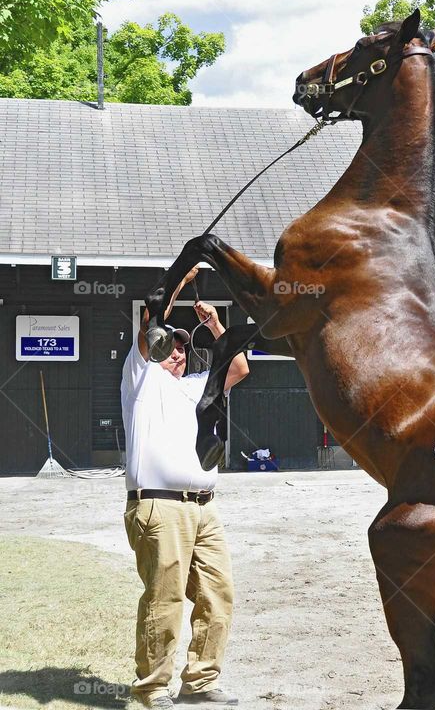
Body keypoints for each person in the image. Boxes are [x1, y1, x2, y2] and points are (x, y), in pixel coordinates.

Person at [121, 265, 249, 708]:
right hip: (159, 507)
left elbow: (238, 366)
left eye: (182, 347)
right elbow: (148, 323)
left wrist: (214, 324)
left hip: (204, 508)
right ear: (156, 349)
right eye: (169, 346)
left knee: (218, 592)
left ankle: (200, 682)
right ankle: (153, 687)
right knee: (166, 597)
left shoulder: (197, 386)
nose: (176, 352)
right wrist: (178, 279)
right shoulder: (141, 378)